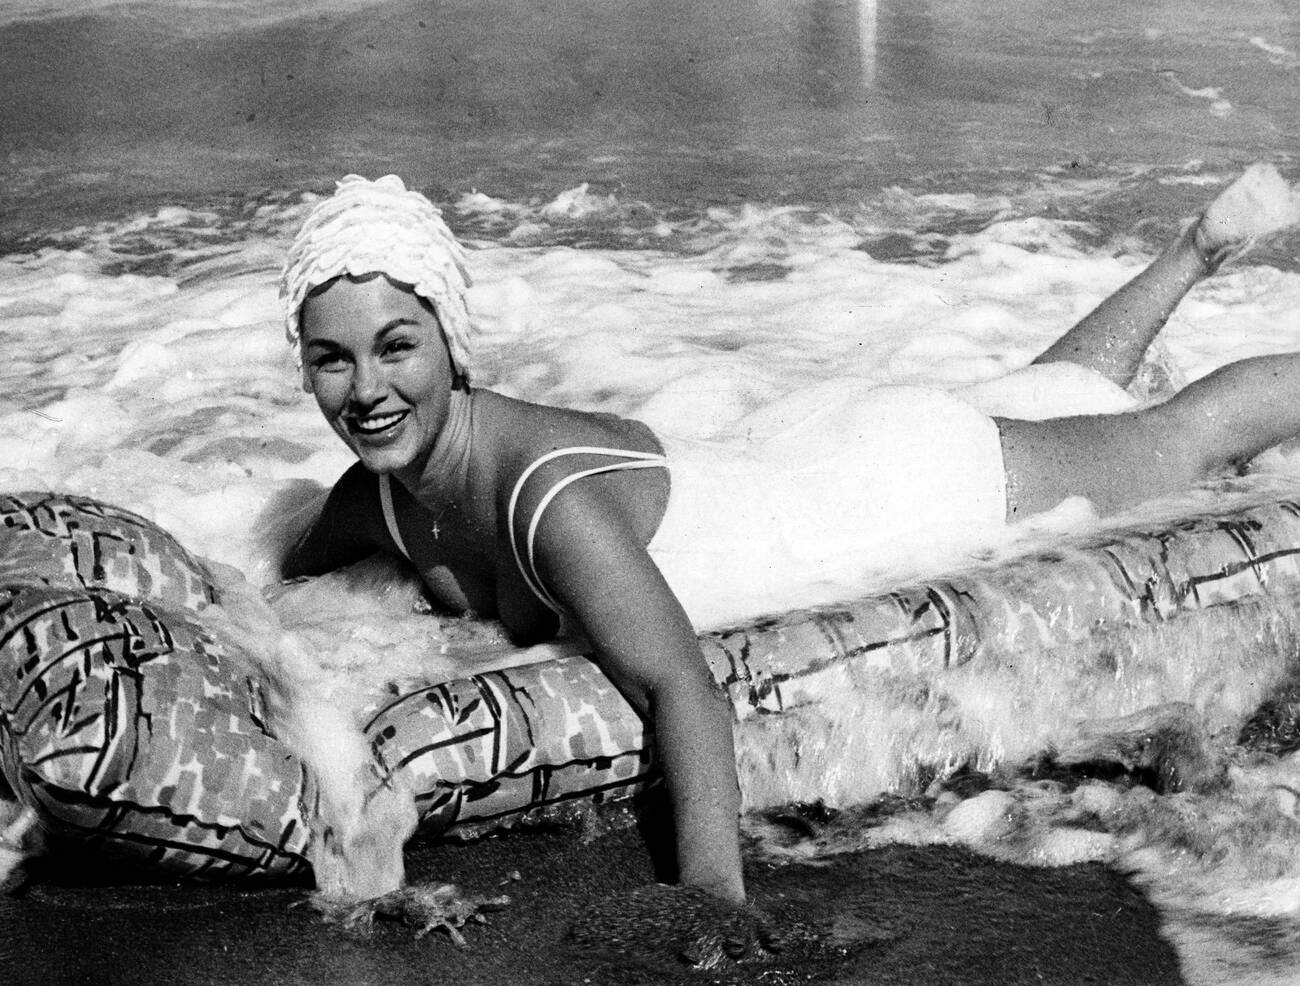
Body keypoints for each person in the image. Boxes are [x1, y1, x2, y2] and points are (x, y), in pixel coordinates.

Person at [278, 165, 1300, 920]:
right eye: (332, 359)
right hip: (796, 450)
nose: (365, 389)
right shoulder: (379, 499)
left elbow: (685, 688)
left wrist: (713, 892)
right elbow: (280, 576)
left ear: (449, 342)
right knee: (1031, 405)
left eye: (395, 345)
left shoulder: (545, 496)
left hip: (893, 483)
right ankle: (1194, 253)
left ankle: (1199, 262)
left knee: (1174, 440)